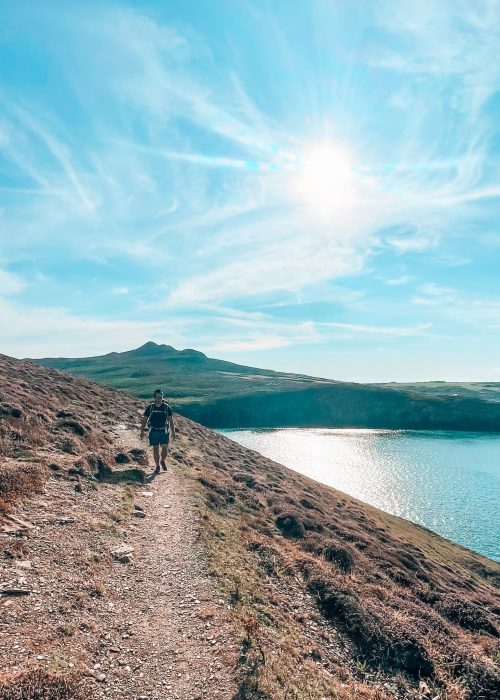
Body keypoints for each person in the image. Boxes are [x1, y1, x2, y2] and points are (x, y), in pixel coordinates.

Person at [140, 389, 175, 474]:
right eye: (157, 396)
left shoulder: (167, 407)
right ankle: (157, 466)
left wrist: (173, 432)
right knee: (155, 449)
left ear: (162, 396)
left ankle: (162, 460)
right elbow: (144, 420)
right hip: (153, 430)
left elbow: (171, 421)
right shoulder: (150, 407)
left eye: (160, 396)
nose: (159, 398)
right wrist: (142, 432)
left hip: (164, 431)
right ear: (154, 397)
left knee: (164, 449)